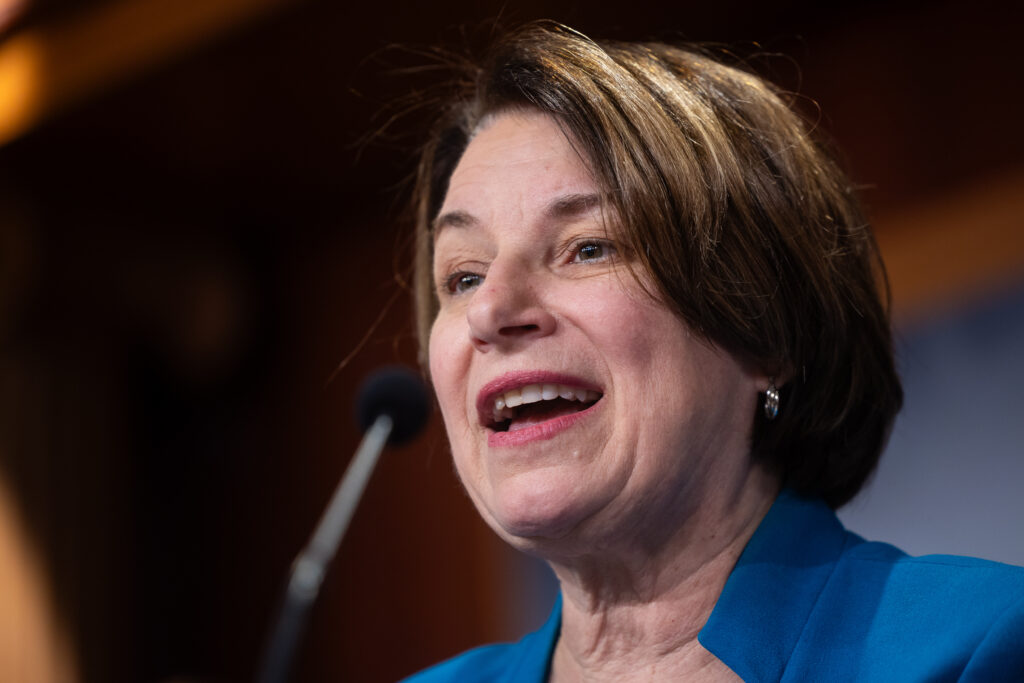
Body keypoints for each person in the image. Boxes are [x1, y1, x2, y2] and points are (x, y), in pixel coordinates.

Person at [401, 22, 1024, 682]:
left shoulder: (977, 647)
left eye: (589, 248)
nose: (491, 311)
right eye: (463, 277)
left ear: (765, 331)